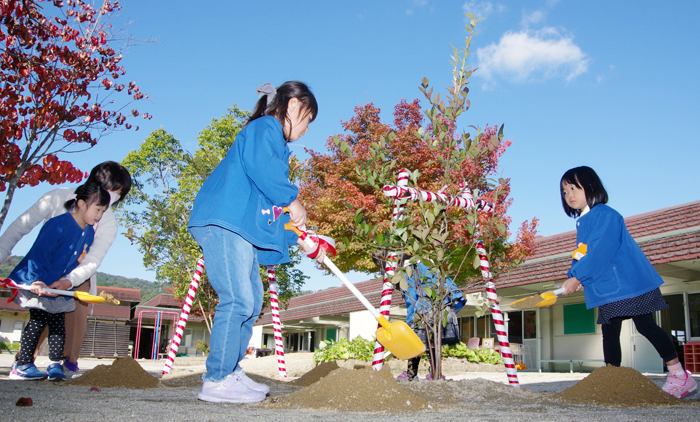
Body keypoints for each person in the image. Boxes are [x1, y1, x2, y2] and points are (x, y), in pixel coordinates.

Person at [188, 81, 327, 404]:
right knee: (237, 299)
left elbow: (268, 208)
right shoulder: (265, 128)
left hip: (241, 229)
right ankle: (217, 379)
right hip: (224, 221)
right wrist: (293, 199)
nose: (307, 130)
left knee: (250, 303)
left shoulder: (276, 147)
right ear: (293, 106)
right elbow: (266, 175)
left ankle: (231, 370)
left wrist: (304, 239)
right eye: (308, 119)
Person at [559, 166, 697, 399]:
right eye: (564, 191)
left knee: (645, 326)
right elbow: (583, 252)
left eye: (574, 188)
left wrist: (578, 276)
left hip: (630, 281)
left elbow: (601, 250)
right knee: (610, 331)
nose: (569, 195)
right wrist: (574, 274)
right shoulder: (584, 222)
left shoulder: (606, 215)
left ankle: (679, 376)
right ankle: (611, 379)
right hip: (611, 287)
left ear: (591, 186)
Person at [0, 161, 131, 378]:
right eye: (112, 190)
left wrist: (69, 281)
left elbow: (93, 259)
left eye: (119, 194)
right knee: (40, 314)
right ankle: (24, 361)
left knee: (71, 311)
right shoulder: (58, 197)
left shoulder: (108, 222)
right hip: (44, 267)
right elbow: (20, 226)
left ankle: (66, 362)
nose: (113, 198)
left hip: (76, 272)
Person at [8, 183, 109, 381]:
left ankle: (55, 363)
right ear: (81, 204)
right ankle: (22, 364)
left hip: (58, 286)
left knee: (58, 324)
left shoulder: (89, 232)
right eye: (97, 209)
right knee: (37, 321)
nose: (99, 215)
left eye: (103, 211)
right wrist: (37, 281)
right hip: (38, 281)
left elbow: (77, 260)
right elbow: (40, 253)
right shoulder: (57, 224)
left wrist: (66, 282)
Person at [395, 261, 465, 381]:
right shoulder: (436, 269)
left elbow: (411, 300)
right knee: (433, 343)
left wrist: (410, 321)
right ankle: (436, 374)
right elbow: (457, 295)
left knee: (416, 342)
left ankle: (410, 374)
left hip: (426, 311)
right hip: (445, 310)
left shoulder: (409, 272)